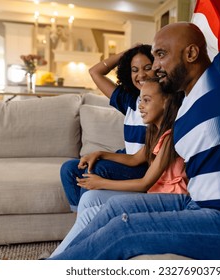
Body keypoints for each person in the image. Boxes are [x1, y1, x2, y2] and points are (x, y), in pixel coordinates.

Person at [49, 0, 220, 260]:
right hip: (198, 205)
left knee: (125, 229)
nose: (154, 66)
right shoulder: (183, 109)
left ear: (190, 54)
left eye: (161, 54)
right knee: (113, 208)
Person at [49, 79, 187, 257]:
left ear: (166, 101)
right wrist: (100, 153)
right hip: (155, 194)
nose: (140, 107)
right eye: (140, 101)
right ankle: (72, 251)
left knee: (90, 214)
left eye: (147, 100)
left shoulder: (170, 137)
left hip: (169, 200)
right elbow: (135, 159)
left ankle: (56, 261)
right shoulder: (154, 132)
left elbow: (144, 184)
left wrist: (101, 182)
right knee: (90, 198)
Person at [60, 45, 155, 212]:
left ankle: (85, 226)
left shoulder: (163, 104)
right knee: (69, 169)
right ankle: (81, 219)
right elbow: (95, 72)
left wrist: (100, 155)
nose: (141, 75)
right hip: (129, 159)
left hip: (146, 167)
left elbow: (141, 158)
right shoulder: (131, 101)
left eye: (148, 68)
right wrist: (128, 53)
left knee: (96, 168)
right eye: (134, 70)